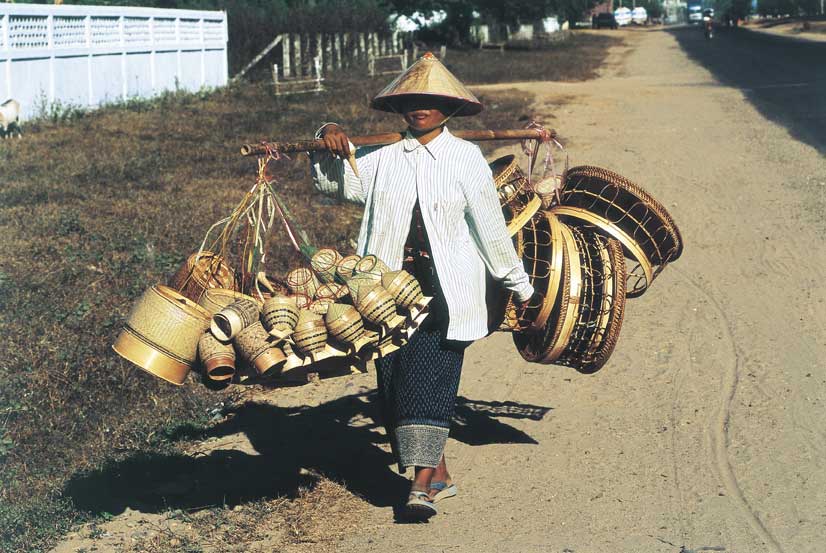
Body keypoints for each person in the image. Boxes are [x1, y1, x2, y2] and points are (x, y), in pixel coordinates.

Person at [309, 52, 535, 520]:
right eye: (412, 100)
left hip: (446, 291)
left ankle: (419, 486)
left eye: (431, 100)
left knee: (428, 378)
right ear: (400, 107)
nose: (421, 108)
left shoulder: (465, 158)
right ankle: (441, 473)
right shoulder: (381, 159)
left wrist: (519, 284)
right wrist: (326, 137)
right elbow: (337, 184)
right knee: (391, 382)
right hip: (384, 295)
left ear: (448, 106)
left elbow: (490, 229)